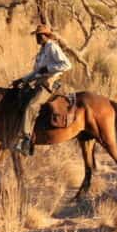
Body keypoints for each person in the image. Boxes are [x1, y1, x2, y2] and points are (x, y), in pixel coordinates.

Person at [11, 24, 72, 155]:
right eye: (36, 36)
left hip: (49, 84)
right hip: (39, 82)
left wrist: (48, 68)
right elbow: (37, 72)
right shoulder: (42, 50)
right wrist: (22, 80)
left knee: (31, 106)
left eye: (39, 35)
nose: (37, 38)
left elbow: (67, 64)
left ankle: (26, 140)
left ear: (46, 36)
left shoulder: (52, 47)